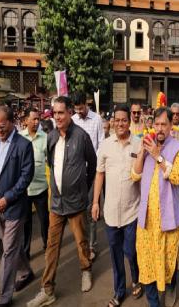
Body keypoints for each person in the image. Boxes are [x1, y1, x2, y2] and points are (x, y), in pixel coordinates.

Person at [27, 96, 97, 307]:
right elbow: (51, 162)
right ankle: (47, 289)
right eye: (54, 113)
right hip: (56, 203)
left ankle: (86, 270)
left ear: (69, 113)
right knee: (51, 246)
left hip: (76, 203)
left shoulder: (82, 137)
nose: (56, 117)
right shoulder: (51, 137)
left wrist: (81, 188)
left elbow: (92, 165)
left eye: (60, 112)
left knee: (81, 241)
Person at [132, 107, 179, 307]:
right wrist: (142, 152)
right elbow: (135, 175)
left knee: (167, 262)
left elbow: (177, 177)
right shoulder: (147, 144)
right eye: (157, 124)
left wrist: (158, 156)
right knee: (146, 264)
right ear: (152, 125)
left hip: (168, 219)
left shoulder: (178, 148)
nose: (160, 128)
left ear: (171, 126)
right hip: (146, 220)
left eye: (164, 124)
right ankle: (154, 303)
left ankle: (171, 287)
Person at [92, 104, 143, 307]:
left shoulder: (138, 145)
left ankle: (137, 278)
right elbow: (99, 174)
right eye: (117, 120)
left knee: (131, 250)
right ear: (112, 122)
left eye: (124, 120)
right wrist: (95, 202)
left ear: (129, 121)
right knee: (115, 255)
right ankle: (119, 290)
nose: (120, 123)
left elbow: (143, 177)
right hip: (111, 212)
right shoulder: (105, 145)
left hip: (133, 210)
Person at [0, 105, 35, 307]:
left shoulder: (23, 145)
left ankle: (4, 297)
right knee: (10, 245)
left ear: (12, 122)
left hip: (13, 207)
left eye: (2, 126)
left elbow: (25, 177)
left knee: (8, 251)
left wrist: (7, 199)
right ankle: (26, 272)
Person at [71, 91, 104, 259]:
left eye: (81, 108)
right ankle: (81, 244)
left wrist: (97, 170)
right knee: (79, 211)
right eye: (76, 109)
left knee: (92, 210)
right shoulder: (73, 121)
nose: (79, 112)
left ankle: (92, 246)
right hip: (75, 174)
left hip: (91, 173)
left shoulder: (97, 120)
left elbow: (101, 146)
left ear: (87, 103)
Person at [19, 108, 49, 261]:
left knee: (44, 220)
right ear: (25, 121)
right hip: (24, 189)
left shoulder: (45, 138)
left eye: (38, 119)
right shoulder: (19, 137)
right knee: (26, 223)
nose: (37, 122)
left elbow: (50, 162)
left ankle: (47, 247)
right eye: (34, 119)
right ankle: (25, 252)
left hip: (41, 187)